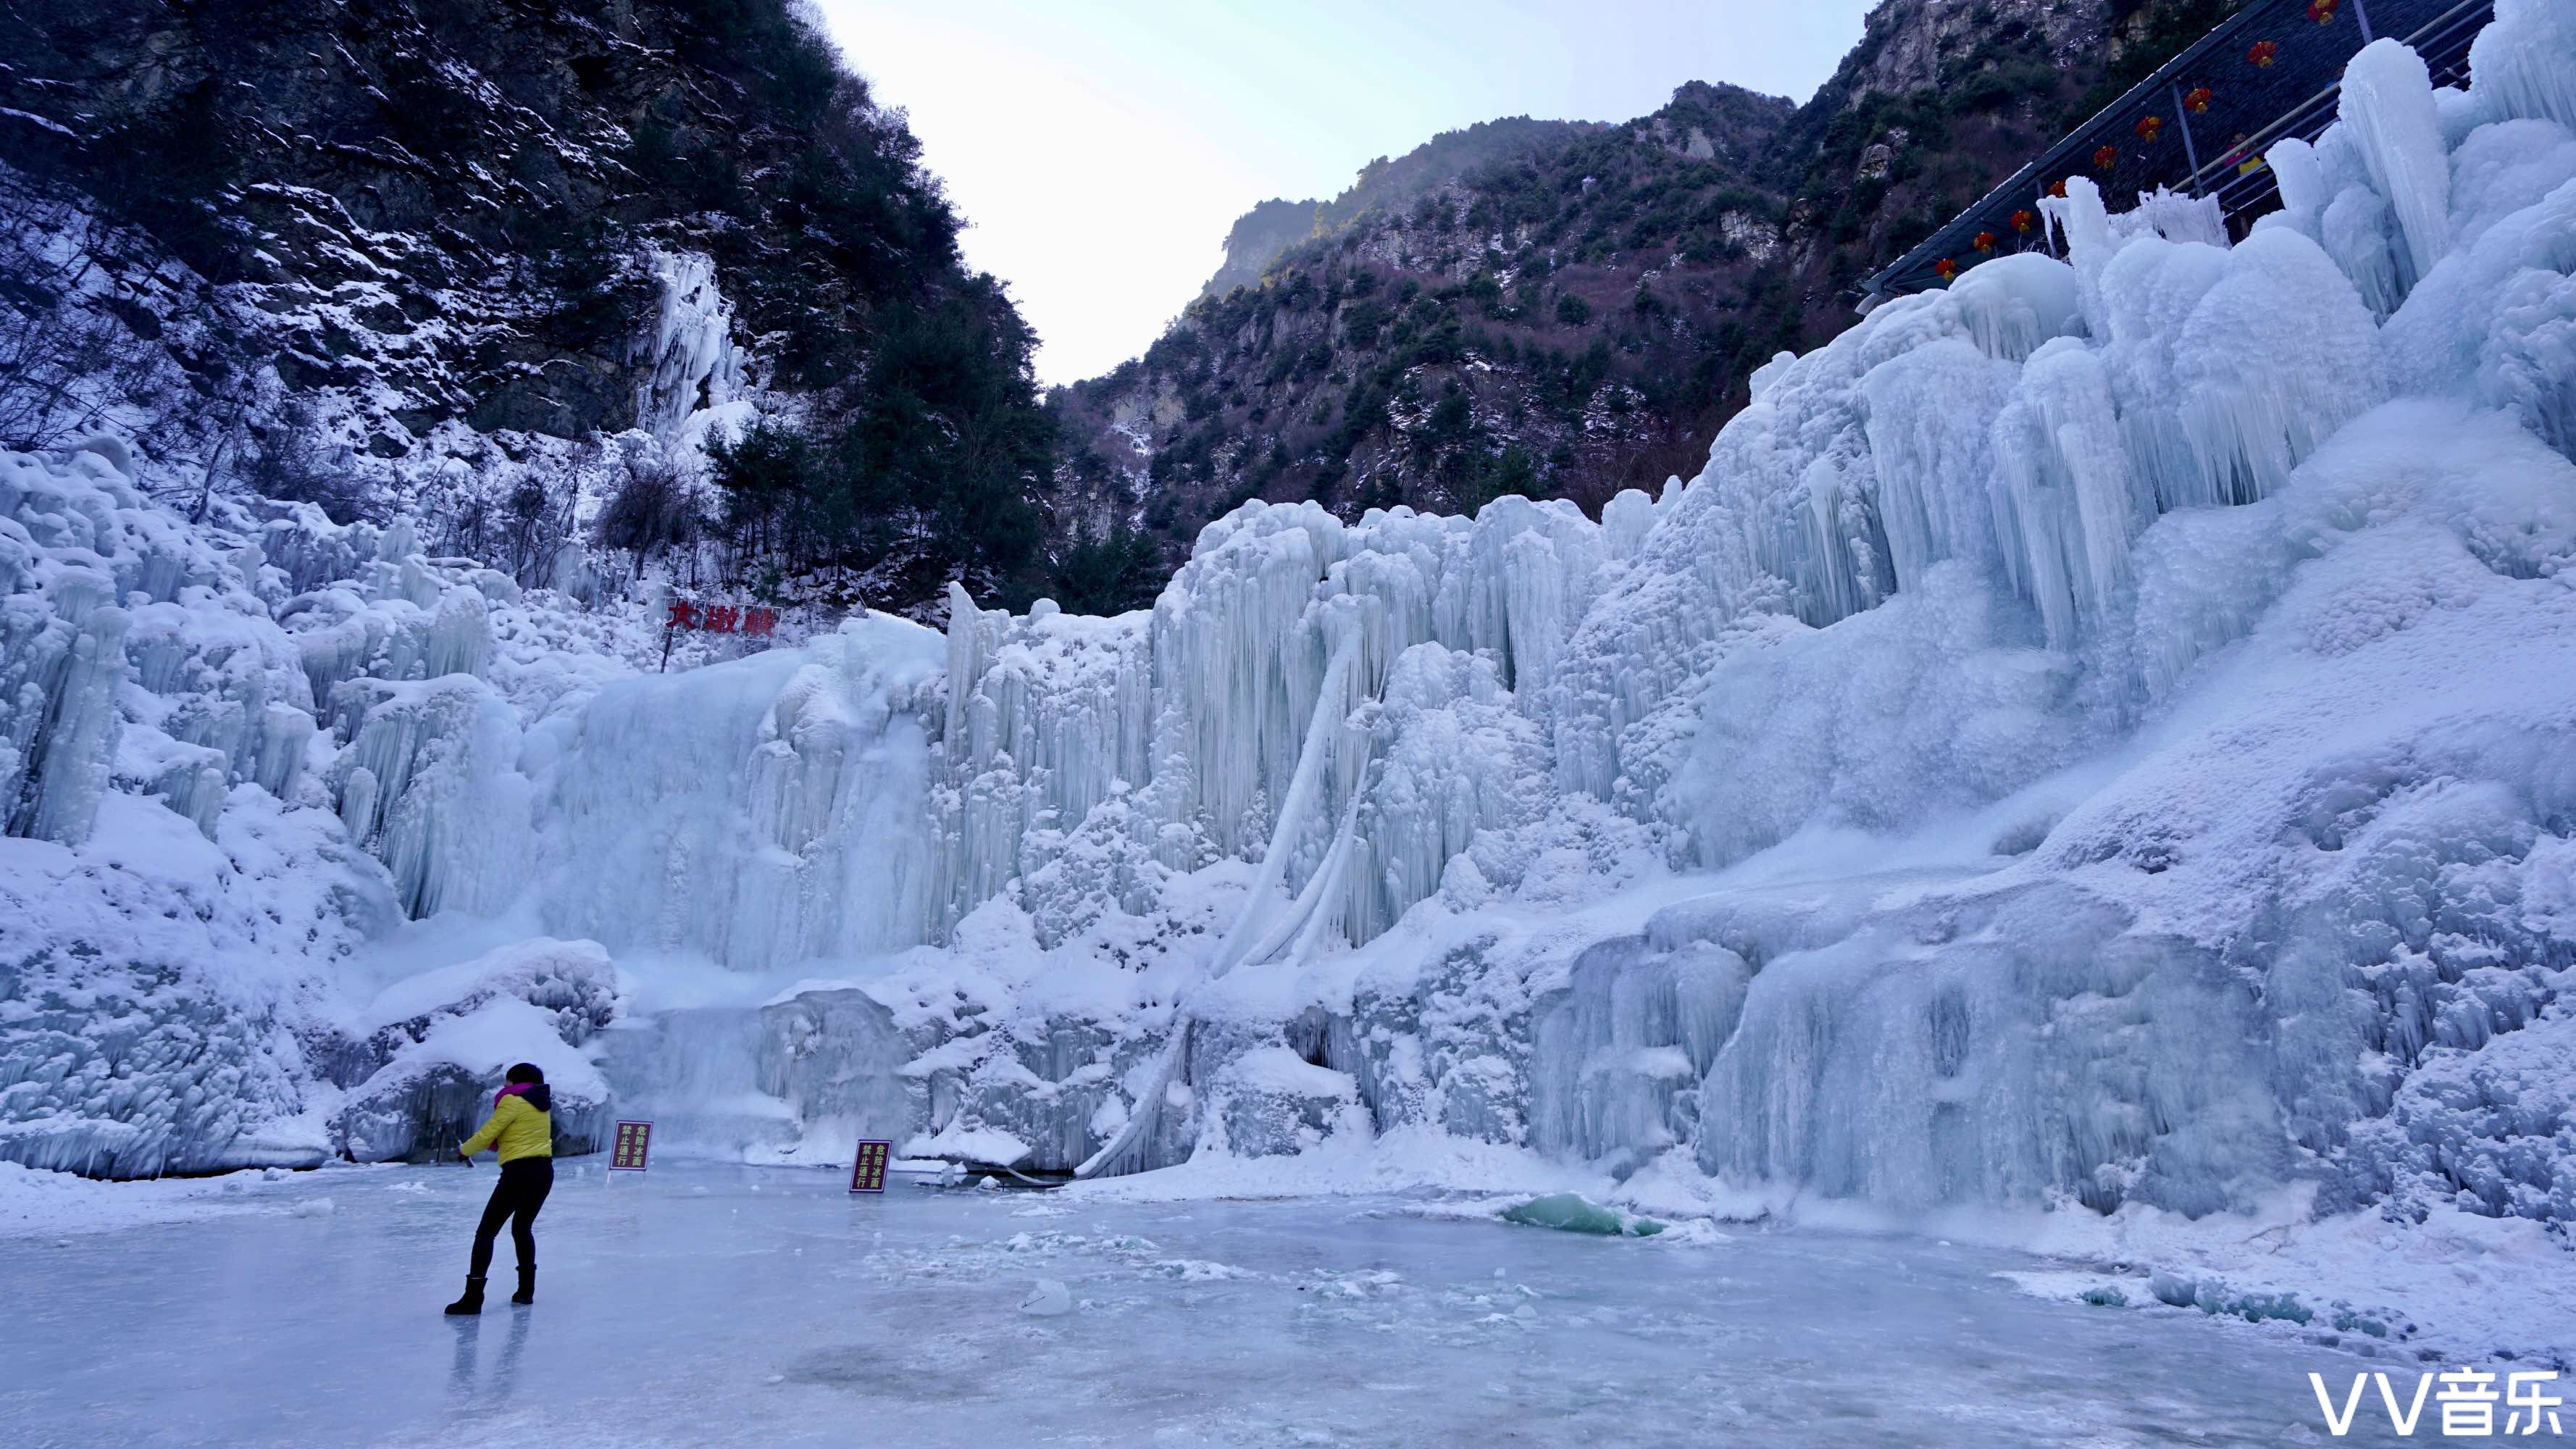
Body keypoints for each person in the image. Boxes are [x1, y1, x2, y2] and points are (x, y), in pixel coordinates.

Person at [445, 1062, 554, 1315]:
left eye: (508, 1081)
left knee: (486, 1233)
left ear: (517, 1082)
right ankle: (526, 1291)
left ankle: (473, 1298)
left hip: (520, 1173)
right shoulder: (541, 1104)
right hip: (544, 1171)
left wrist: (464, 1151)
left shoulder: (513, 1101)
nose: (504, 1086)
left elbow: (489, 1132)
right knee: (522, 1228)